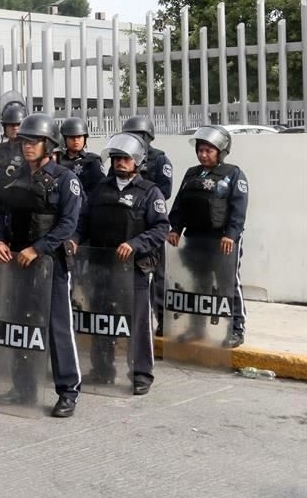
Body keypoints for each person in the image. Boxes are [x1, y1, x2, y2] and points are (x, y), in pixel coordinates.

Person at [0, 113, 82, 418]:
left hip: (51, 264)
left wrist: (37, 248)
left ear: (50, 144)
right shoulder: (15, 175)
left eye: (35, 141)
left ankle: (67, 391)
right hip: (19, 262)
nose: (28, 146)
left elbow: (67, 225)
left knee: (58, 329)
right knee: (22, 326)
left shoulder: (65, 180)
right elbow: (1, 214)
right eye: (25, 141)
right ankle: (23, 386)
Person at [72, 133, 169, 395]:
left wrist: (135, 244)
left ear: (137, 161)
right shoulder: (101, 189)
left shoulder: (150, 192)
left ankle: (140, 374)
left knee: (137, 323)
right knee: (102, 320)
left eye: (125, 159)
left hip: (135, 269)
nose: (120, 163)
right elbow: (83, 221)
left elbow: (161, 228)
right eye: (116, 159)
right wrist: (75, 240)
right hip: (102, 267)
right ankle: (102, 369)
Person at [167, 125, 249, 348]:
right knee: (198, 284)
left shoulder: (233, 174)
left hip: (221, 240)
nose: (203, 154)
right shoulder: (192, 173)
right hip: (195, 239)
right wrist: (175, 228)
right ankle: (196, 328)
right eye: (201, 150)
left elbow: (238, 209)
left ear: (221, 152)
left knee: (227, 284)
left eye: (209, 151)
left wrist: (231, 236)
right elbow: (180, 204)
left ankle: (236, 329)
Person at [121, 116, 174, 336]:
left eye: (140, 135)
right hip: (126, 225)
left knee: (157, 278)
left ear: (149, 137)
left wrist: (141, 189)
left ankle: (162, 319)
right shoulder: (122, 156)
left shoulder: (159, 159)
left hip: (149, 223)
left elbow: (165, 191)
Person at [59, 117, 105, 194]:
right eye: (72, 137)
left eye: (79, 136)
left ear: (85, 138)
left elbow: (99, 188)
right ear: (65, 139)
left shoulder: (93, 161)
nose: (76, 140)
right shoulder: (58, 160)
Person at [0, 101, 27, 185]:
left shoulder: (28, 150)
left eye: (18, 124)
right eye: (11, 125)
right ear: (5, 127)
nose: (15, 128)